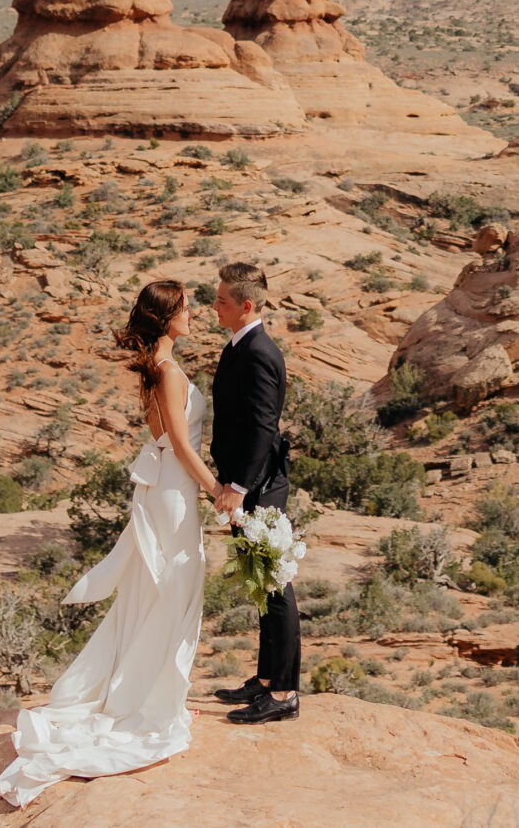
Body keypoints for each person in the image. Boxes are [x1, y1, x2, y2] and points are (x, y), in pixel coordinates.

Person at [0, 278, 228, 806]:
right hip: (174, 489)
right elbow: (182, 447)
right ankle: (154, 704)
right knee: (173, 589)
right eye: (186, 309)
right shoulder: (165, 371)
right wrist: (217, 493)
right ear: (167, 318)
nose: (194, 315)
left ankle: (156, 695)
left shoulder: (157, 369)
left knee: (160, 590)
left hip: (167, 486)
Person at [208, 258, 301, 724]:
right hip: (249, 482)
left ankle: (283, 694)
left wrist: (239, 487)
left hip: (260, 486)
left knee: (276, 585)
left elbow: (264, 427)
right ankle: (265, 681)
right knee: (261, 584)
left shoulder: (260, 352)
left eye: (221, 300)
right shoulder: (240, 344)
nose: (214, 305)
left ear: (245, 306)